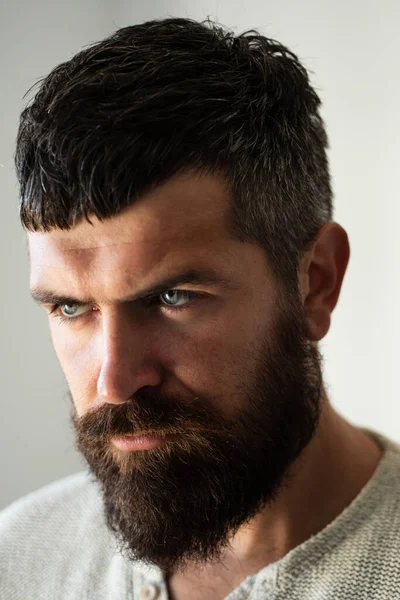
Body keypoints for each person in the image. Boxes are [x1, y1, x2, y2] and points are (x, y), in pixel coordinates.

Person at [1, 16, 399, 600]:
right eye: (69, 307)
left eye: (172, 298)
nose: (114, 381)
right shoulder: (20, 557)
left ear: (315, 282)